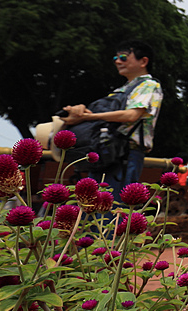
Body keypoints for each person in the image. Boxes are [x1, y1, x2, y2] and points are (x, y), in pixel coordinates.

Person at [61, 40, 163, 195]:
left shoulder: (149, 85)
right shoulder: (122, 89)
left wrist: (89, 117)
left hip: (125, 154)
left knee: (113, 208)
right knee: (94, 208)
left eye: (124, 57)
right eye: (116, 59)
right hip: (105, 150)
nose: (118, 62)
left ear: (144, 61)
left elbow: (131, 115)